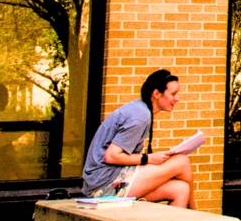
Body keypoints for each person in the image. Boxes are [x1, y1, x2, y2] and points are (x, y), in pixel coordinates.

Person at [78, 69, 200, 205]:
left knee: (180, 189)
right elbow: (111, 156)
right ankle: (198, 214)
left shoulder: (140, 110)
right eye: (173, 94)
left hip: (109, 179)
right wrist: (148, 158)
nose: (177, 99)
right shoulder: (140, 116)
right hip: (103, 185)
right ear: (156, 94)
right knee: (182, 161)